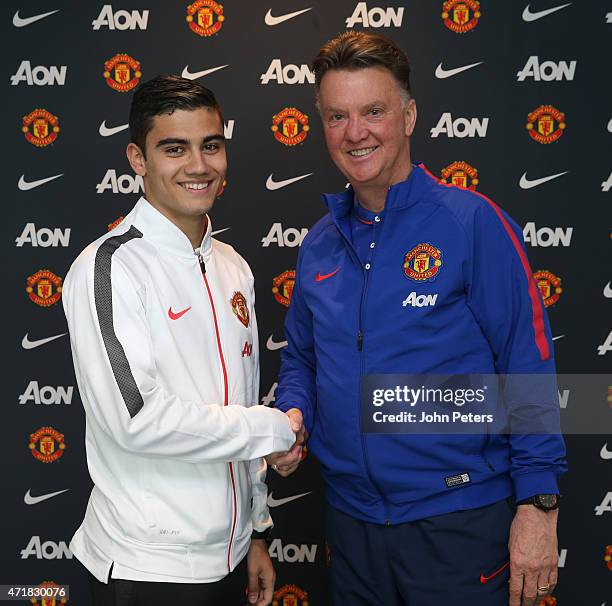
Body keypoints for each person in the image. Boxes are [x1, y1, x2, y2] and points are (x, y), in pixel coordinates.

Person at [269, 32, 567, 606]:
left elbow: (526, 362)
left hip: (457, 523)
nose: (356, 132)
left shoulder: (471, 222)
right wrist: (292, 415)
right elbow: (302, 357)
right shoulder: (320, 243)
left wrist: (538, 503)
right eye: (337, 116)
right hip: (352, 528)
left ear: (408, 116)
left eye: (373, 111)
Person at [63, 75, 301, 606]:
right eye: (175, 148)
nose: (198, 166)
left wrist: (257, 529)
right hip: (149, 571)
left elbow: (234, 408)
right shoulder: (109, 267)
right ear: (137, 158)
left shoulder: (233, 266)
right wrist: (270, 428)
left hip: (232, 559)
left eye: (210, 145)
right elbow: (136, 420)